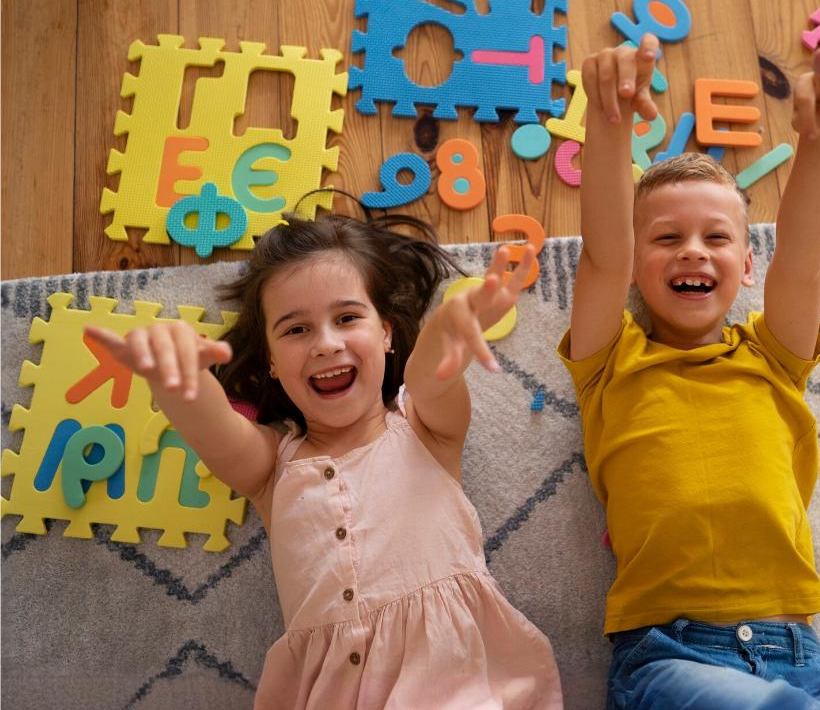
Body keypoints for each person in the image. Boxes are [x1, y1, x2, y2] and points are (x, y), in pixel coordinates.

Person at [86, 210, 563, 709]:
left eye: (348, 318)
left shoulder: (425, 428)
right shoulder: (273, 465)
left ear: (387, 333)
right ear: (270, 361)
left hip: (456, 680)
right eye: (295, 330)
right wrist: (174, 377)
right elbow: (216, 432)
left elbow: (431, 377)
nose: (326, 344)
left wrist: (446, 331)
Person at [558, 33, 820, 709]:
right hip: (669, 653)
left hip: (795, 651)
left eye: (717, 238)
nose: (692, 252)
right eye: (667, 238)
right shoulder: (609, 364)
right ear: (639, 268)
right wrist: (606, 121)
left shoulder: (773, 356)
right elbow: (602, 257)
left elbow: (802, 260)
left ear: (747, 265)